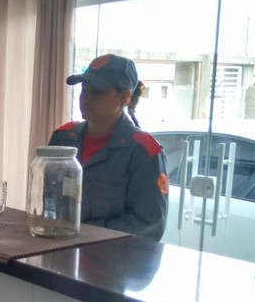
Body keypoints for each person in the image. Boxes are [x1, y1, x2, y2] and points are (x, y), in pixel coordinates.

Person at [48, 54, 168, 241]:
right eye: (84, 89)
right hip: (59, 248)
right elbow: (48, 199)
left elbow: (148, 225)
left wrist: (81, 233)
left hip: (111, 257)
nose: (85, 98)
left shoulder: (143, 152)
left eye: (97, 91)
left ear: (124, 97)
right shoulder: (63, 138)